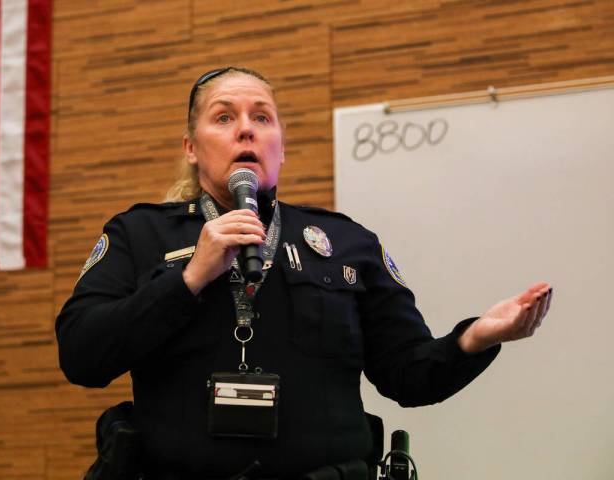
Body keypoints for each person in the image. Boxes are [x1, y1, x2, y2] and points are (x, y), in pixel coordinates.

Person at [55, 67, 553, 479]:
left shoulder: (347, 242)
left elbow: (409, 375)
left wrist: (477, 338)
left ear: (281, 145)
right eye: (224, 117)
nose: (245, 129)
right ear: (191, 147)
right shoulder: (139, 234)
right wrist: (187, 280)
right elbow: (82, 354)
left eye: (262, 117)